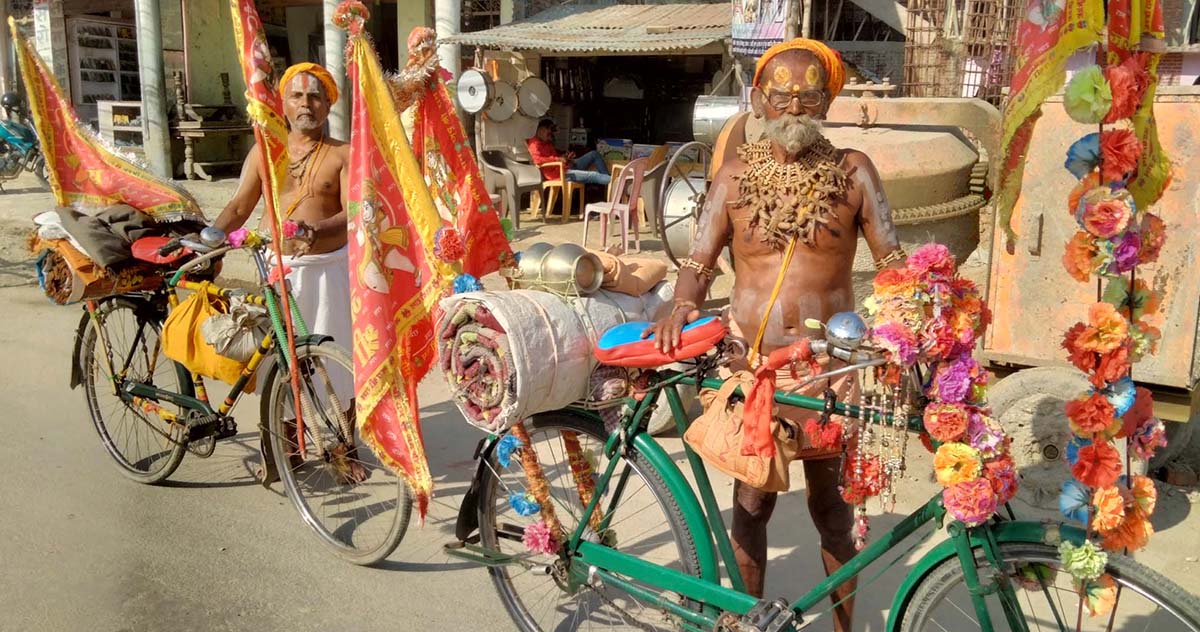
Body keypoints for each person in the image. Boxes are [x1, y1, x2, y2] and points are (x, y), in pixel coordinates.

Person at [645, 39, 903, 631]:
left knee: (833, 513)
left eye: (808, 95)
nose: (793, 107)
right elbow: (700, 260)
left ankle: (844, 627)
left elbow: (893, 261)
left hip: (830, 371)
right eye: (779, 96)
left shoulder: (853, 170)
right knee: (752, 505)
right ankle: (743, 620)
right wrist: (681, 305)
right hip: (754, 366)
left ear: (828, 101)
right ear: (758, 100)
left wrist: (917, 314)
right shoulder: (733, 175)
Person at [212, 62, 359, 484]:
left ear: (329, 102)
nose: (305, 104)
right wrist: (210, 235)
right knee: (280, 366)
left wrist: (318, 230)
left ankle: (345, 450)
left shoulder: (343, 153)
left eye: (315, 95)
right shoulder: (264, 151)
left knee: (337, 365)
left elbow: (352, 214)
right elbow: (241, 206)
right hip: (278, 270)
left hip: (329, 271)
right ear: (283, 102)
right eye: (296, 95)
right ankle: (286, 452)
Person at [526, 119, 612, 187]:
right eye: (548, 134)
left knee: (594, 154)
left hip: (567, 166)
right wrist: (558, 159)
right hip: (560, 174)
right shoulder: (534, 144)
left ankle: (608, 180)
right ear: (541, 129)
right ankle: (615, 182)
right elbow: (537, 160)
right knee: (593, 175)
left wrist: (565, 156)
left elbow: (555, 156)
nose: (550, 137)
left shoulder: (547, 142)